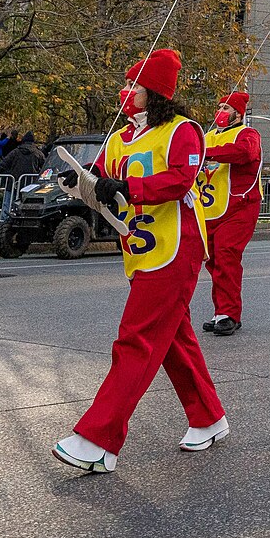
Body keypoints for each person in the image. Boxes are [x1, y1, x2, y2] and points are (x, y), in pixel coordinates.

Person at [52, 49, 227, 473]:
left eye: (134, 85)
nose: (125, 91)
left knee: (136, 338)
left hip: (176, 247)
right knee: (173, 340)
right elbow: (103, 187)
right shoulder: (118, 139)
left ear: (155, 92)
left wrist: (128, 187)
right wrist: (80, 184)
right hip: (140, 250)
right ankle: (208, 417)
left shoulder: (183, 131)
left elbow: (179, 180)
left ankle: (98, 439)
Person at [198, 90, 264, 333]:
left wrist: (208, 153)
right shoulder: (208, 136)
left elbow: (245, 153)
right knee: (214, 260)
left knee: (226, 254)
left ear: (239, 113)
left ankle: (229, 313)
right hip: (211, 208)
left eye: (226, 108)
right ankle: (221, 312)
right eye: (219, 106)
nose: (220, 112)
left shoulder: (248, 134)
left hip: (240, 206)